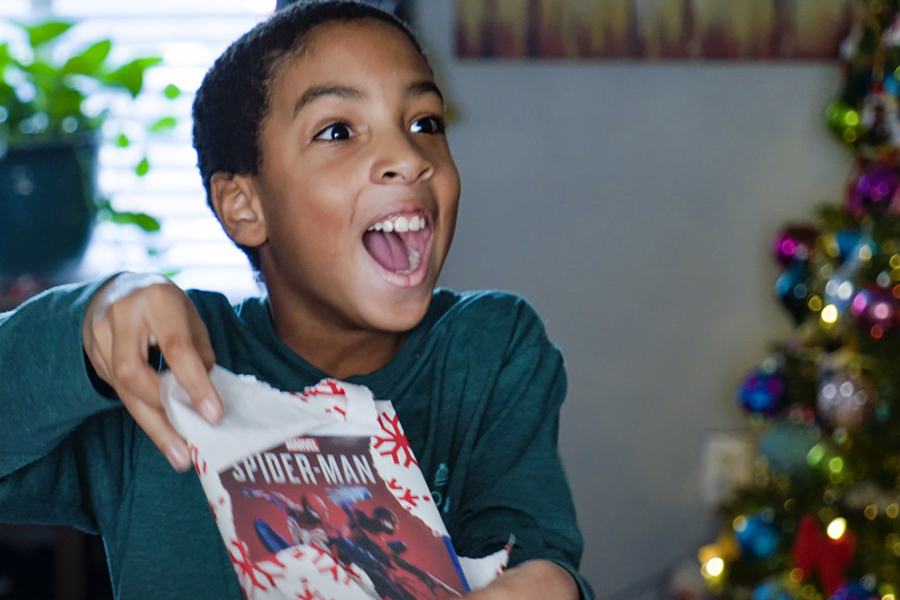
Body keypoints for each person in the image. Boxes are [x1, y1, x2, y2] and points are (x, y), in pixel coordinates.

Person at [0, 2, 591, 598]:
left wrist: (550, 582)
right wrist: (89, 321)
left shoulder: (488, 348)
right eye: (338, 131)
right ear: (245, 207)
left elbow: (525, 548)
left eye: (425, 124)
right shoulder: (159, 366)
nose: (410, 160)